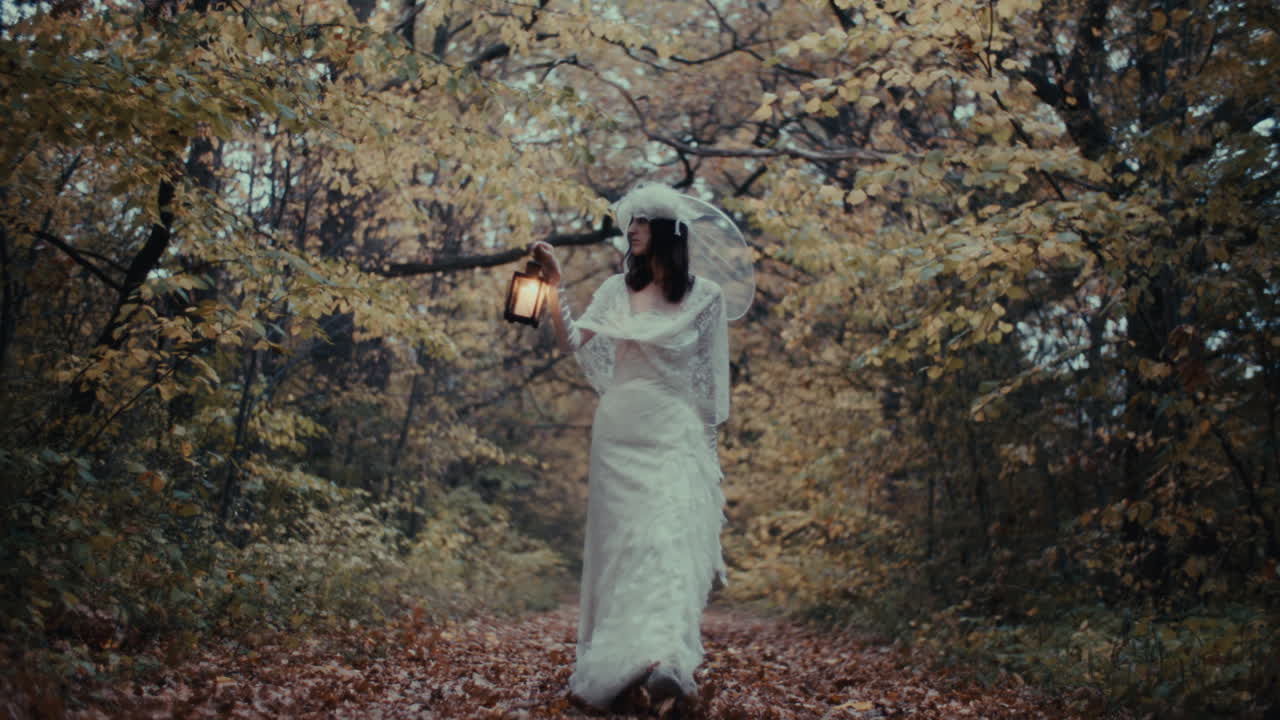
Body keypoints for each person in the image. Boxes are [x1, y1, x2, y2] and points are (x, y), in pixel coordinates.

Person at [529, 182, 754, 710]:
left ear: (668, 231)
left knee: (668, 540)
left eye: (642, 221)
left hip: (673, 429)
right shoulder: (613, 291)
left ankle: (668, 661)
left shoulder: (707, 298)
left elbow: (708, 388)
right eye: (629, 221)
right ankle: (622, 660)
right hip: (619, 431)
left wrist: (705, 455)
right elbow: (573, 343)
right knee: (621, 546)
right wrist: (554, 287)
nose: (631, 229)